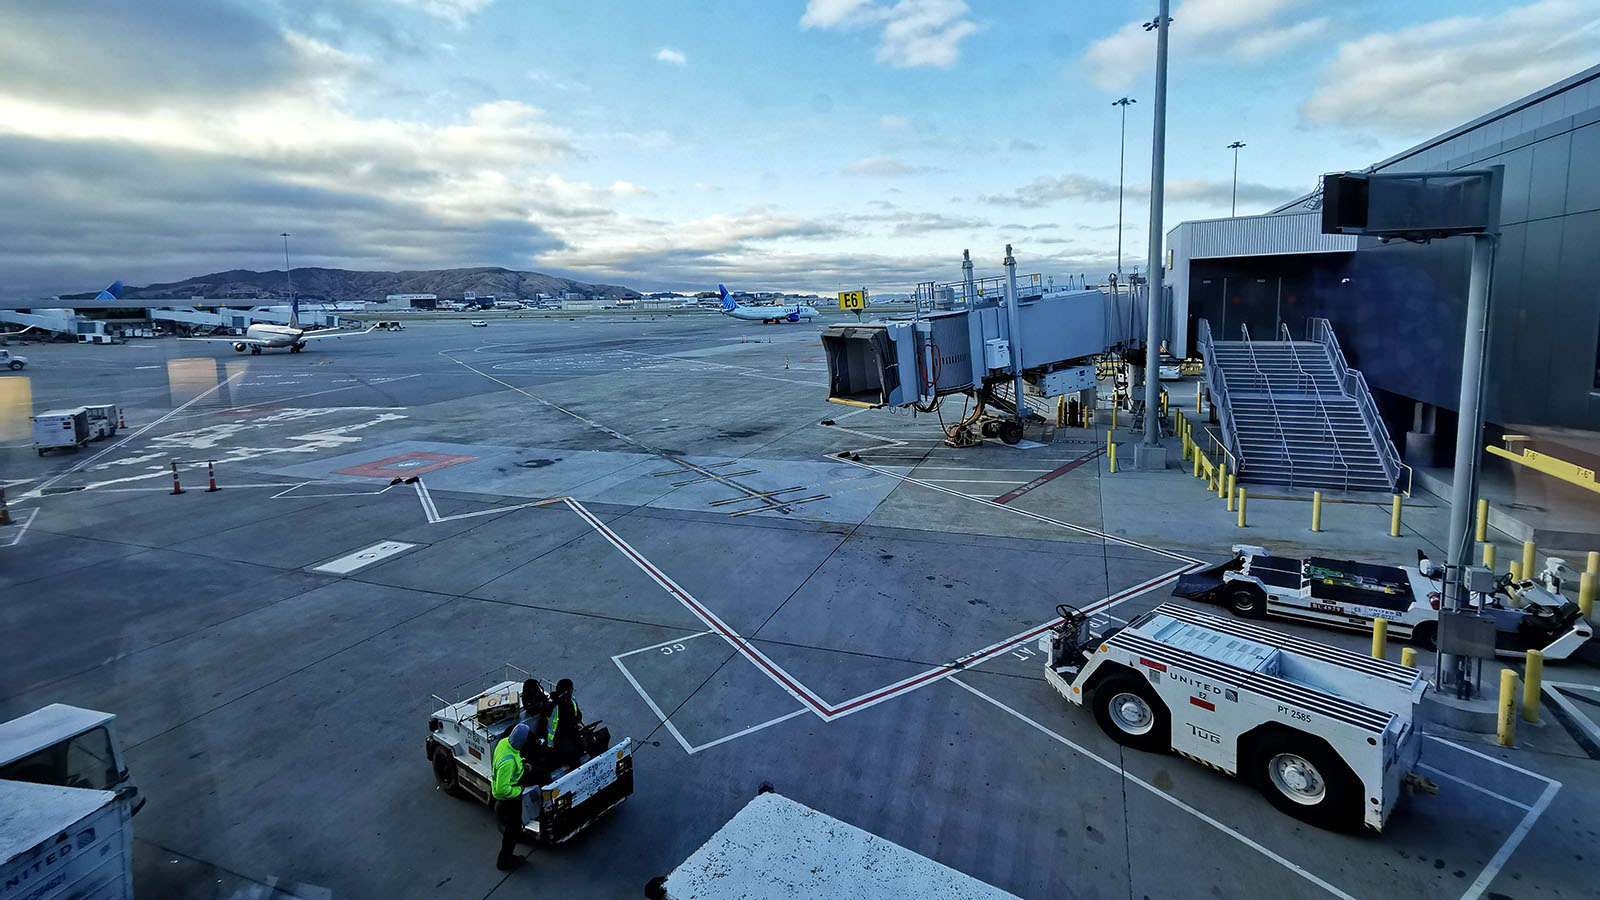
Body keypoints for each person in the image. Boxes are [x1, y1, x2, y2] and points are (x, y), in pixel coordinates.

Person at [491, 722, 533, 871]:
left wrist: (523, 765)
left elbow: (515, 756)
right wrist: (518, 790)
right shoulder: (507, 763)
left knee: (514, 827)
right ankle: (504, 861)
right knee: (512, 829)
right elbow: (502, 790)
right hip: (508, 796)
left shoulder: (504, 743)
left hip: (510, 788)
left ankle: (517, 836)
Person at [545, 678, 584, 771]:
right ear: (567, 691)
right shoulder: (555, 706)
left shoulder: (571, 700)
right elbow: (551, 727)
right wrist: (550, 746)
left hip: (571, 731)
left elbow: (577, 715)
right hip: (560, 737)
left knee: (585, 745)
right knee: (573, 757)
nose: (572, 691)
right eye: (571, 689)